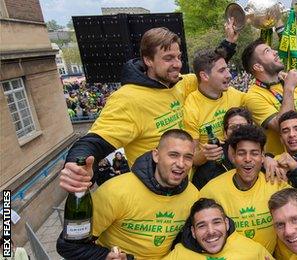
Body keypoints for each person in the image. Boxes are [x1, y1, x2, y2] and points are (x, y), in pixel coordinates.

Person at [59, 24, 239, 193]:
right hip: (153, 192)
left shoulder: (180, 83)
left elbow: (210, 69)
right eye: (168, 58)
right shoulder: (127, 99)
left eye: (178, 57)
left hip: (184, 187)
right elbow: (94, 141)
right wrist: (76, 165)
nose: (177, 64)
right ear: (148, 60)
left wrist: (228, 44)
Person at [57, 129, 200, 259]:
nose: (181, 164)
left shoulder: (193, 195)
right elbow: (68, 246)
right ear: (156, 155)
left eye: (188, 157)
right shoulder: (114, 191)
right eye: (173, 155)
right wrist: (105, 256)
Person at [199, 125, 297, 254]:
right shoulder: (211, 191)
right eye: (241, 153)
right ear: (232, 156)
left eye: (254, 153)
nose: (248, 159)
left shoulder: (276, 184)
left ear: (262, 157)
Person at [241, 38, 297, 155]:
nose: (275, 52)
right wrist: (289, 89)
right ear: (258, 67)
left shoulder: (289, 80)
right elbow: (282, 127)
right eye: (267, 51)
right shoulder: (253, 97)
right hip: (279, 165)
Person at [183, 49, 245, 168]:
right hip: (210, 170)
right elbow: (192, 158)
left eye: (227, 69)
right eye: (222, 71)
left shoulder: (234, 94)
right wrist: (205, 154)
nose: (229, 75)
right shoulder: (192, 107)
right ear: (204, 76)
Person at [163, 198, 273, 259]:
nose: (211, 231)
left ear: (227, 224)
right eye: (202, 226)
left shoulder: (253, 251)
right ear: (193, 232)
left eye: (216, 222)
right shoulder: (179, 255)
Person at [191, 107, 252, 189]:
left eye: (243, 127)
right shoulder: (211, 162)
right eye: (233, 127)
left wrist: (268, 157)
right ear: (225, 134)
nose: (238, 131)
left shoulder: (260, 159)